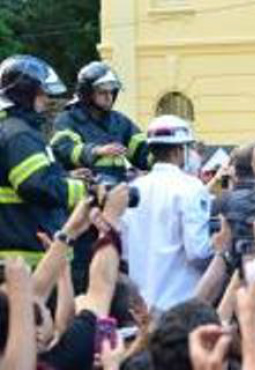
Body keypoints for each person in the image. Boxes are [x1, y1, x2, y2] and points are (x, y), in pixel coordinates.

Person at [119, 115, 214, 313]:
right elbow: (198, 252)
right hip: (180, 306)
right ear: (181, 150)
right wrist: (220, 248)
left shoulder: (134, 188)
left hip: (141, 306)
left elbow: (125, 252)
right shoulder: (191, 188)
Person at [0, 55, 86, 265]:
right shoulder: (19, 134)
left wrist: (63, 176)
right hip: (27, 258)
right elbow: (36, 186)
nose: (47, 99)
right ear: (24, 94)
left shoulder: (14, 129)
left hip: (20, 254)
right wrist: (85, 190)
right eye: (41, 93)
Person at [51, 61, 150, 184]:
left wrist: (160, 163)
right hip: (85, 193)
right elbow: (65, 149)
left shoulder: (119, 121)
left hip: (116, 191)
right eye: (102, 92)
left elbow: (142, 149)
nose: (109, 97)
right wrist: (96, 150)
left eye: (112, 92)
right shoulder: (67, 119)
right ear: (87, 93)